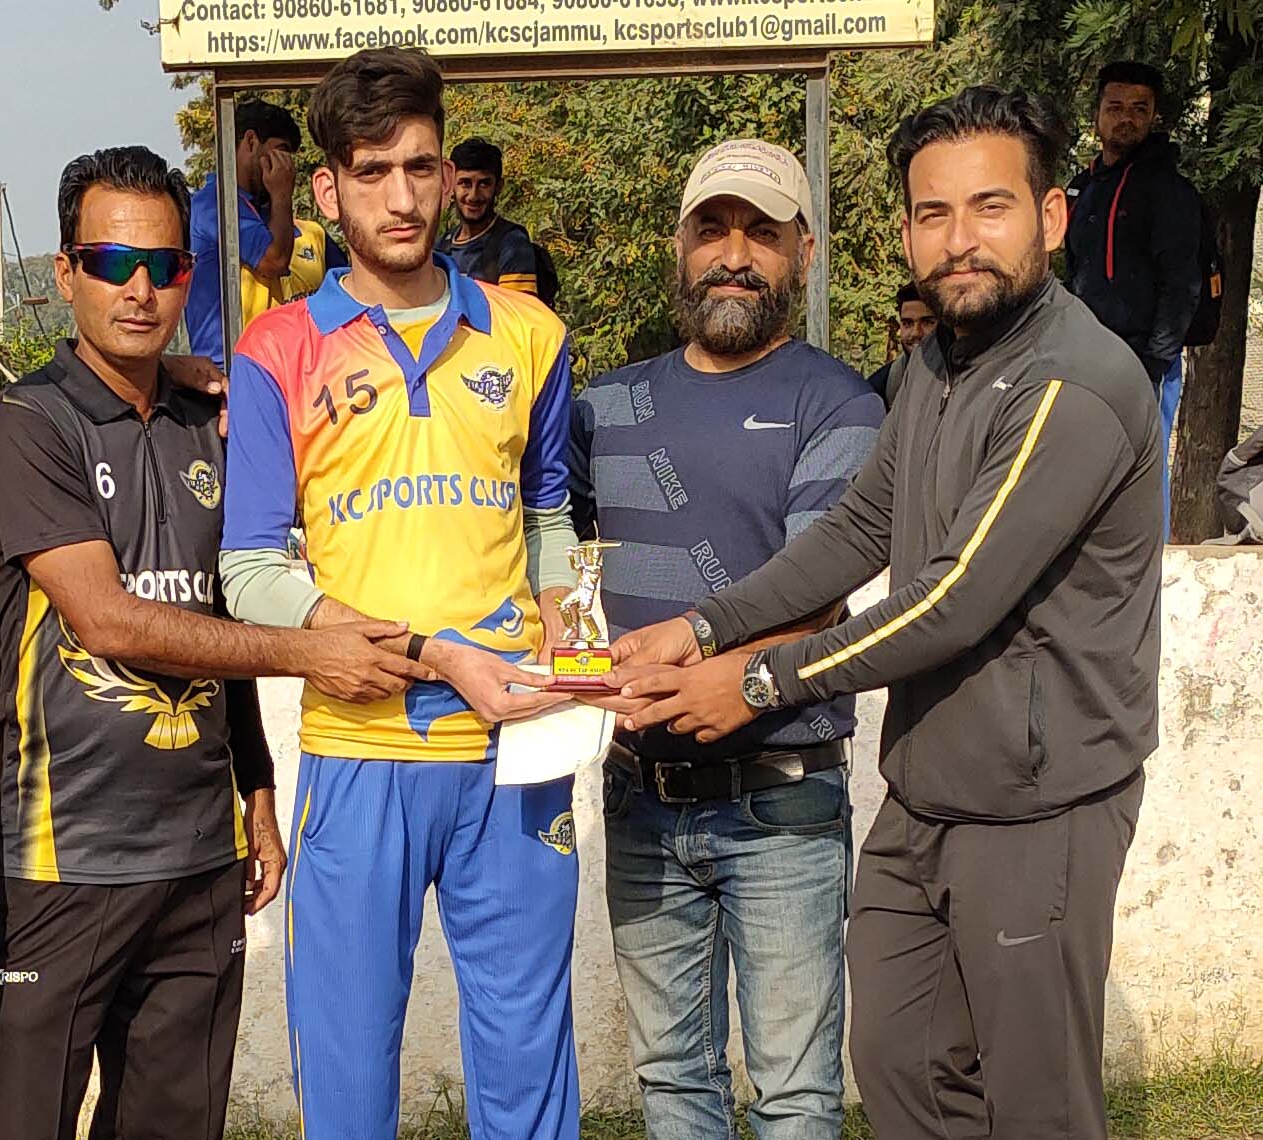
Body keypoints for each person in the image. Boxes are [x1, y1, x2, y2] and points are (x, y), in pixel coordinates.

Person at [599, 86, 1160, 1140]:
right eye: (933, 214)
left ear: (1050, 217)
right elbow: (856, 535)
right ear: (903, 230)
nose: (960, 241)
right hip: (930, 790)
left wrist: (759, 679)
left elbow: (951, 597)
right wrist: (704, 627)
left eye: (989, 208)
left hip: (1040, 804)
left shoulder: (1067, 386)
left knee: (1034, 1102)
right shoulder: (936, 369)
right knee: (898, 1062)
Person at [0, 145, 432, 1140]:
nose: (139, 290)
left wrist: (258, 796)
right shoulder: (23, 424)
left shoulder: (210, 421)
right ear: (63, 273)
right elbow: (111, 622)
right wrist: (312, 654)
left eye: (165, 267)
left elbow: (224, 618)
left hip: (198, 861)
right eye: (109, 264)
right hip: (62, 859)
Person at [219, 47, 577, 1140]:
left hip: (513, 756)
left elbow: (550, 514)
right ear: (326, 189)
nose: (404, 195)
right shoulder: (277, 347)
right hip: (361, 750)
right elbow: (249, 574)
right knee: (348, 1082)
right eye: (371, 171)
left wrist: (563, 621)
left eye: (420, 166)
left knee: (527, 1065)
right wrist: (425, 651)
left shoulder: (530, 335)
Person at [569, 138, 882, 1140]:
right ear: (679, 244)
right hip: (639, 794)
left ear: (805, 252)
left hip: (781, 802)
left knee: (792, 1094)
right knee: (671, 1083)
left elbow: (819, 591)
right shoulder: (602, 406)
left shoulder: (834, 402)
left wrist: (717, 670)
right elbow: (544, 554)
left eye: (761, 232)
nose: (733, 254)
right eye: (712, 228)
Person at [1065, 60, 1202, 525]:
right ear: (1098, 114)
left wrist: (1155, 361)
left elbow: (1182, 283)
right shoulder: (1084, 188)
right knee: (1081, 467)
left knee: (1144, 470)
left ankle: (1156, 576)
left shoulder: (1167, 190)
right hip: (1084, 356)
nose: (1126, 117)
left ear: (1153, 116)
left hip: (1144, 359)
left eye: (1139, 109)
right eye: (1116, 106)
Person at [186, 99, 300, 368]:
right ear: (250, 142)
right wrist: (283, 195)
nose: (286, 167)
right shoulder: (216, 205)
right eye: (280, 152)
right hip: (226, 367)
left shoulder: (258, 210)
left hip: (267, 362)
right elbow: (274, 261)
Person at [437, 137, 547, 299]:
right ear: (451, 184)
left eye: (484, 184)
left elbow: (517, 315)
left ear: (498, 187)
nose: (473, 196)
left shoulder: (512, 244)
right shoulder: (441, 247)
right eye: (465, 183)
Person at [865, 281, 937, 406]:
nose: (915, 333)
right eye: (908, 324)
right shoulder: (886, 383)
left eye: (927, 322)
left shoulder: (968, 378)